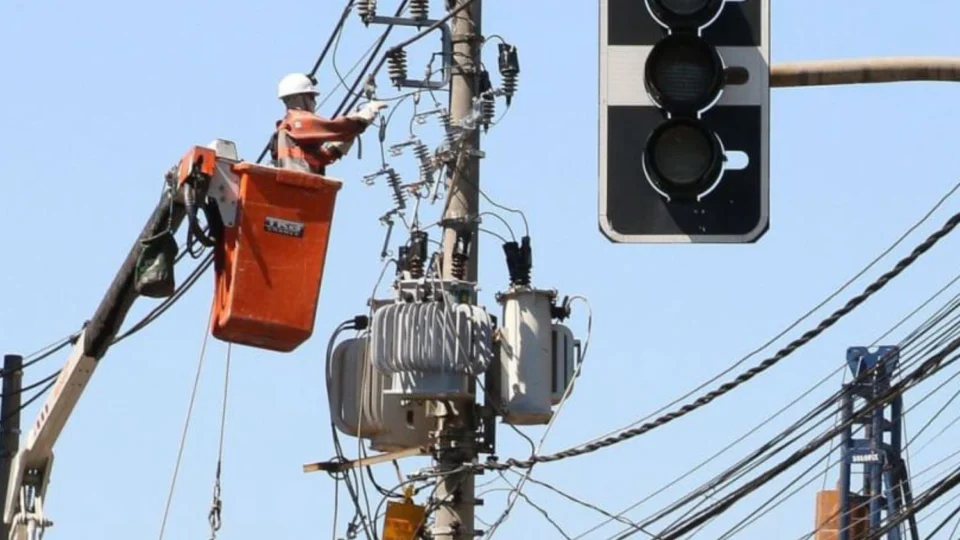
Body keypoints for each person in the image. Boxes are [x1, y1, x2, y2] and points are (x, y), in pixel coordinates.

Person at [272, 72, 387, 174]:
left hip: (301, 190)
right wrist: (369, 110)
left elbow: (324, 156)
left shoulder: (287, 129)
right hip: (300, 186)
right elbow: (339, 129)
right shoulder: (297, 121)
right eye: (312, 97)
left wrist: (345, 139)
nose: (315, 102)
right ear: (299, 98)